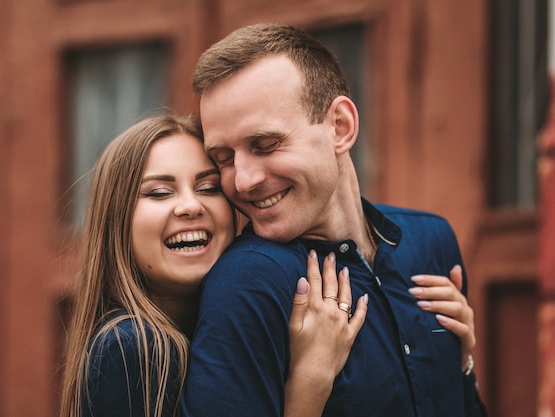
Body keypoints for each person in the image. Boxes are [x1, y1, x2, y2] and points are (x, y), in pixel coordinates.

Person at [181, 23, 486, 416]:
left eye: (266, 145)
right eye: (224, 158)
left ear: (340, 127)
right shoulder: (250, 281)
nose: (243, 180)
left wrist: (461, 364)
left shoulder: (432, 239)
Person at [59, 114, 369, 417]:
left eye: (208, 188)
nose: (191, 206)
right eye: (159, 192)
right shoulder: (131, 347)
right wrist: (310, 384)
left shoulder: (213, 327)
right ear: (115, 223)